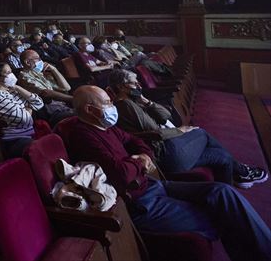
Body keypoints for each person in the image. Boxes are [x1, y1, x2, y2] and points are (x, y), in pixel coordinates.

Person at [68, 86, 271, 261]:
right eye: (106, 102)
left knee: (222, 193)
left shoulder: (106, 127)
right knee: (221, 216)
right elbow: (121, 174)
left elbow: (136, 142)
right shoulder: (84, 135)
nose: (111, 105)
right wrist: (138, 163)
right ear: (89, 109)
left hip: (152, 185)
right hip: (138, 204)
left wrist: (144, 157)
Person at [108, 70, 266, 187]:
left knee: (221, 157)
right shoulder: (125, 104)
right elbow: (155, 130)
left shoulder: (134, 101)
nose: (139, 85)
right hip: (164, 153)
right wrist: (180, 131)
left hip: (168, 147)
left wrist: (146, 101)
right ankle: (241, 173)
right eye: (135, 83)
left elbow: (165, 116)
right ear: (123, 87)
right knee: (200, 132)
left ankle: (234, 180)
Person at [0, 63, 43, 158]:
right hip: (14, 140)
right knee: (41, 150)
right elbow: (25, 119)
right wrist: (28, 109)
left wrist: (17, 87)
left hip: (28, 133)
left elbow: (39, 103)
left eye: (11, 72)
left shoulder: (10, 88)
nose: (12, 75)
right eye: (8, 73)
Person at [18, 49, 74, 124]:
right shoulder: (24, 76)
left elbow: (66, 88)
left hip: (62, 105)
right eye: (37, 58)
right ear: (27, 62)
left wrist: (54, 69)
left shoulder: (39, 73)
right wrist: (73, 99)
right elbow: (46, 92)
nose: (41, 61)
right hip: (51, 111)